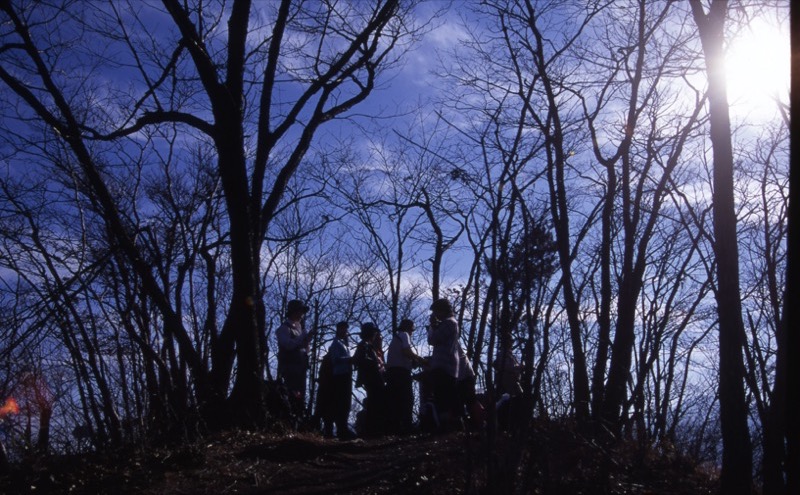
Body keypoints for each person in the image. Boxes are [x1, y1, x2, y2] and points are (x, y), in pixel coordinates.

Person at [276, 299, 315, 419]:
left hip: (300, 367)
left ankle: (298, 418)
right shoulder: (283, 328)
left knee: (300, 395)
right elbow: (287, 345)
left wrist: (307, 340)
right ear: (293, 312)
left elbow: (305, 349)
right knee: (291, 393)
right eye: (300, 311)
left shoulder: (300, 328)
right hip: (290, 367)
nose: (302, 314)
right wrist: (302, 338)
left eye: (302, 312)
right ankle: (289, 419)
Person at [385, 319, 425, 434]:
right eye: (412, 329)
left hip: (392, 373)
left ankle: (395, 427)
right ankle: (407, 427)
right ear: (408, 328)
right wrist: (419, 359)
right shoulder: (404, 335)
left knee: (395, 400)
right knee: (407, 400)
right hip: (400, 373)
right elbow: (406, 351)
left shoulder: (396, 337)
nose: (412, 332)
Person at [428, 298, 461, 431]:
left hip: (444, 365)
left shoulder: (449, 323)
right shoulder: (448, 323)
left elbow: (433, 339)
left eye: (436, 311)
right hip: (446, 365)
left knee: (443, 397)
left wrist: (432, 326)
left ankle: (447, 426)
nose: (435, 314)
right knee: (444, 396)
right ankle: (448, 425)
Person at [352, 322, 386, 436]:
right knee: (374, 403)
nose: (375, 334)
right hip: (372, 378)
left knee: (375, 402)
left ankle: (373, 428)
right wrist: (375, 364)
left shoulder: (368, 345)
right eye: (374, 332)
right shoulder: (364, 345)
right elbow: (360, 360)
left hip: (373, 378)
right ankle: (372, 430)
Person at [327, 321, 355, 439]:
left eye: (346, 329)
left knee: (346, 402)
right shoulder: (335, 344)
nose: (345, 331)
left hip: (346, 374)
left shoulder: (344, 343)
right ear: (338, 329)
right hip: (340, 375)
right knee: (341, 402)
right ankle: (341, 429)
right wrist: (350, 359)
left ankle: (343, 428)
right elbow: (335, 360)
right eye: (343, 329)